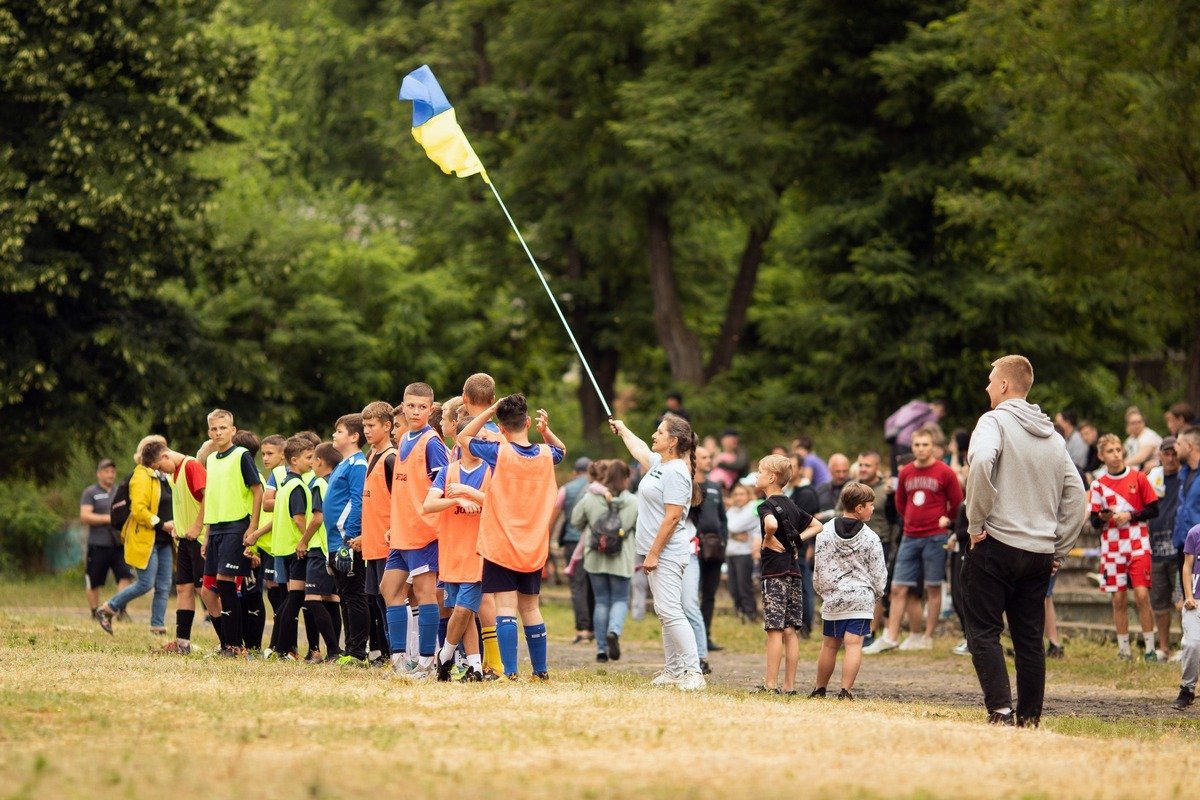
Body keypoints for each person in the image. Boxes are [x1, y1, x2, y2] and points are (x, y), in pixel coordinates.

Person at [961, 355, 1086, 727]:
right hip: (1039, 553)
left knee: (983, 630)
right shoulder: (1054, 437)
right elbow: (1077, 493)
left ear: (1003, 385)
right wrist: (1059, 547)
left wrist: (975, 522)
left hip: (996, 543)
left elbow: (982, 462)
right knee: (1029, 639)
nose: (986, 387)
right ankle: (1029, 718)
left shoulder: (993, 421)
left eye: (989, 380)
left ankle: (1000, 710)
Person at [458, 394, 564, 681]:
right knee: (531, 608)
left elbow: (462, 437)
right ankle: (541, 671)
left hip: (501, 543)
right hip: (533, 544)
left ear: (501, 429)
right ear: (528, 422)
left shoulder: (499, 452)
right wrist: (545, 432)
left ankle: (512, 672)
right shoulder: (546, 454)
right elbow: (561, 450)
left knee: (506, 607)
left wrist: (489, 411)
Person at [609, 413, 706, 691]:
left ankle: (692, 671)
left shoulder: (676, 472)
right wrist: (624, 429)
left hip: (667, 553)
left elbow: (673, 517)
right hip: (657, 552)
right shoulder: (660, 464)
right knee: (665, 612)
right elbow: (640, 448)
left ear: (672, 441)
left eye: (660, 432)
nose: (654, 435)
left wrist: (653, 554)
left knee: (671, 611)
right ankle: (674, 670)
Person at [864, 426, 962, 653]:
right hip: (910, 535)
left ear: (933, 446)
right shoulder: (906, 472)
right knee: (898, 586)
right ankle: (891, 636)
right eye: (917, 445)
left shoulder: (945, 472)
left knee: (933, 587)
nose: (920, 449)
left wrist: (946, 519)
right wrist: (909, 519)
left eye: (925, 444)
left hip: (935, 536)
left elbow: (957, 502)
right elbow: (900, 502)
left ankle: (926, 636)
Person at [385, 382, 450, 679]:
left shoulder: (432, 442)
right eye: (411, 405)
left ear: (431, 409)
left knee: (425, 594)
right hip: (401, 532)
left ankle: (426, 662)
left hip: (423, 533)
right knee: (390, 589)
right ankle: (399, 659)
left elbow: (443, 486)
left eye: (422, 407)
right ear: (403, 404)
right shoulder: (404, 438)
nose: (416, 411)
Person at [425, 412, 489, 682]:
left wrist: (468, 492)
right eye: (480, 439)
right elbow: (428, 505)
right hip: (451, 551)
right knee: (463, 614)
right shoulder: (449, 471)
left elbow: (498, 504)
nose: (484, 444)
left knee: (463, 610)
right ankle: (474, 666)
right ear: (464, 441)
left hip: (478, 552)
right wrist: (456, 502)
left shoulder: (490, 469)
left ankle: (445, 657)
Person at [812, 482, 887, 699]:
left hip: (834, 597)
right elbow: (878, 572)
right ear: (859, 508)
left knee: (829, 645)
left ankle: (820, 689)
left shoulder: (824, 532)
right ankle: (845, 691)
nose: (873, 509)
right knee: (854, 644)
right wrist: (877, 593)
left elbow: (819, 568)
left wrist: (824, 591)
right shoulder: (871, 537)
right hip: (861, 599)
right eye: (871, 505)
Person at [754, 454, 821, 694]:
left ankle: (770, 685)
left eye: (760, 471)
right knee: (791, 630)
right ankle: (789, 686)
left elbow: (770, 524)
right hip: (793, 571)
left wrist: (769, 537)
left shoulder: (766, 506)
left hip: (774, 573)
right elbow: (817, 525)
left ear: (771, 477)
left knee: (774, 630)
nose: (757, 474)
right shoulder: (792, 504)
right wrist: (797, 539)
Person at [197, 409, 262, 657]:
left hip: (236, 527)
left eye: (223, 428)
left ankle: (235, 646)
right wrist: (207, 532)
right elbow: (212, 498)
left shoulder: (242, 455)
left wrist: (252, 526)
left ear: (233, 430)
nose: (218, 432)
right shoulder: (211, 460)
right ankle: (227, 643)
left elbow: (257, 490)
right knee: (208, 590)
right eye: (214, 429)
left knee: (225, 585)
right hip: (215, 530)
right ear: (209, 432)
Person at [1090, 432, 1160, 659]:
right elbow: (1093, 522)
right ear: (1101, 455)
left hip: (1138, 543)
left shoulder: (1139, 477)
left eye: (1119, 449)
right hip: (1111, 548)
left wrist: (1129, 515)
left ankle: (1150, 649)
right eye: (1110, 451)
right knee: (1118, 599)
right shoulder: (1099, 486)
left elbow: (1153, 510)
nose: (1116, 454)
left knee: (1141, 595)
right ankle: (1124, 650)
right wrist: (1103, 517)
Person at [94, 439, 173, 635]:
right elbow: (138, 510)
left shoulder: (165, 477)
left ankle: (157, 626)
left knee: (164, 585)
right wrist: (162, 524)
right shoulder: (140, 476)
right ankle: (107, 608)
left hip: (164, 541)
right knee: (146, 583)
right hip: (146, 538)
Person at [142, 440, 207, 654]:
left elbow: (209, 498)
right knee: (183, 589)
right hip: (184, 540)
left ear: (165, 457)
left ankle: (230, 644)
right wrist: (177, 527)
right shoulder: (174, 474)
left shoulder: (191, 466)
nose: (161, 472)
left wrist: (197, 526)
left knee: (205, 592)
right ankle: (182, 644)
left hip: (200, 539)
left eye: (159, 467)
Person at [572, 460, 639, 662]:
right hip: (622, 557)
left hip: (595, 557)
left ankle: (601, 650)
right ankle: (614, 632)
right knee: (619, 599)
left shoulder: (590, 498)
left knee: (601, 601)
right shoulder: (634, 501)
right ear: (626, 478)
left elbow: (575, 521)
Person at [324, 414, 369, 665]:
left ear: (354, 436)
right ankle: (349, 648)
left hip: (347, 542)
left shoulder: (358, 465)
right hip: (334, 542)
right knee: (344, 595)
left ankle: (357, 652)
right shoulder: (342, 463)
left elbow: (358, 502)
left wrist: (349, 539)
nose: (334, 435)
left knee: (354, 595)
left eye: (339, 431)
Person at [358, 401, 396, 663]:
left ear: (387, 426)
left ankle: (398, 652)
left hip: (388, 544)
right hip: (372, 543)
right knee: (377, 601)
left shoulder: (391, 459)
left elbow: (398, 502)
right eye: (364, 425)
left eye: (371, 426)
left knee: (390, 599)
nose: (367, 431)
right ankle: (386, 652)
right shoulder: (371, 455)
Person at [300, 442, 341, 661]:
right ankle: (336, 650)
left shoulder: (318, 483)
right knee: (331, 599)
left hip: (319, 548)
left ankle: (334, 649)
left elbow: (318, 517)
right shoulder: (335, 481)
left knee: (312, 599)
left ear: (319, 461)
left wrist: (303, 541)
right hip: (333, 547)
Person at [81, 458, 132, 618]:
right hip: (98, 544)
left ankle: (121, 609)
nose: (110, 474)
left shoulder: (119, 492)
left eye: (112, 471)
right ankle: (95, 612)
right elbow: (85, 516)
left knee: (125, 576)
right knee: (94, 580)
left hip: (119, 544)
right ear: (99, 473)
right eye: (106, 471)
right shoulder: (90, 493)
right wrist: (108, 519)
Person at [1147, 437, 1182, 661]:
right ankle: (1163, 647)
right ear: (1160, 454)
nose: (1170, 458)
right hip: (1155, 548)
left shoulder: (1186, 477)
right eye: (1166, 453)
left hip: (1179, 549)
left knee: (1182, 601)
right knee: (1159, 601)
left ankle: (1185, 644)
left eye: (1174, 454)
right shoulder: (1152, 479)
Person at [691, 446, 728, 653]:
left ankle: (706, 635)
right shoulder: (688, 484)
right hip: (694, 546)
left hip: (715, 547)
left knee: (710, 594)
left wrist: (724, 540)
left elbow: (723, 517)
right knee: (692, 593)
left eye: (709, 457)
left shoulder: (715, 487)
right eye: (704, 457)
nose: (708, 460)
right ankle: (692, 637)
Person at [553, 457, 593, 644]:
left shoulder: (566, 489)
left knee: (578, 586)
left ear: (574, 472)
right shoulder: (600, 487)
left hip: (572, 542)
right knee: (594, 585)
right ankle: (595, 628)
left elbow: (554, 514)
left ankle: (583, 629)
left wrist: (546, 538)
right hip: (595, 543)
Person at [725, 483, 761, 622]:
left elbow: (732, 526)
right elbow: (724, 527)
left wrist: (731, 532)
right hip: (731, 552)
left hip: (745, 553)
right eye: (736, 494)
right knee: (733, 588)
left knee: (744, 586)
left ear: (748, 495)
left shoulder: (752, 508)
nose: (739, 497)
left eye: (742, 494)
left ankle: (750, 614)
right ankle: (740, 613)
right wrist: (734, 534)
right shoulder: (732, 510)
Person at [1173, 523, 1200, 710]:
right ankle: (1187, 689)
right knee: (1192, 643)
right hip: (1196, 600)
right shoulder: (1194, 533)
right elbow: (1187, 567)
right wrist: (1188, 596)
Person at [884, 398, 945, 472]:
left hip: (896, 438)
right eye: (941, 411)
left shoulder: (912, 406)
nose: (941, 415)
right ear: (939, 407)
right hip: (909, 441)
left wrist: (891, 431)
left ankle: (895, 482)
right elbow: (929, 430)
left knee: (895, 468)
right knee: (907, 467)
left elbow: (889, 421)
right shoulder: (931, 414)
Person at [1174, 428, 1200, 578]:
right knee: (1188, 600)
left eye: (1179, 443)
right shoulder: (1184, 473)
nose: (1176, 447)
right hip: (1184, 546)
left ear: (1189, 446)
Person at [1124, 406, 1163, 472]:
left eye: (1139, 422)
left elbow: (1141, 458)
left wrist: (1119, 464)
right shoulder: (1131, 438)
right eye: (1133, 423)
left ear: (1144, 423)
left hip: (1159, 466)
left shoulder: (1148, 435)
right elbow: (1123, 452)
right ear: (1128, 425)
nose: (1137, 425)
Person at [815, 453, 851, 522]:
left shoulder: (856, 489)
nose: (841, 475)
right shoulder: (821, 489)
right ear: (830, 470)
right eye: (838, 471)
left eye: (845, 471)